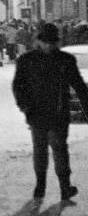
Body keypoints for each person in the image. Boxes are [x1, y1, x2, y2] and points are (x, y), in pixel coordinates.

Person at [13, 23, 88, 202]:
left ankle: (64, 187)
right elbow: (18, 87)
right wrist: (25, 107)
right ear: (38, 41)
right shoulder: (26, 60)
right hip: (37, 113)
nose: (48, 46)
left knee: (59, 149)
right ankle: (41, 186)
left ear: (57, 42)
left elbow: (78, 85)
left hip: (57, 113)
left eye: (52, 42)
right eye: (45, 42)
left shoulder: (66, 60)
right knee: (41, 150)